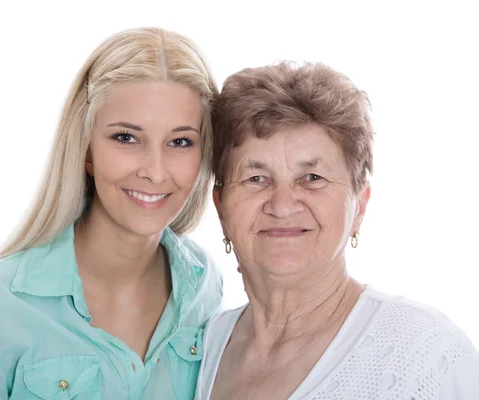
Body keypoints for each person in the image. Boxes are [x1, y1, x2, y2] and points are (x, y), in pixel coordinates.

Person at [0, 27, 223, 400]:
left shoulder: (204, 287)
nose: (155, 171)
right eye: (126, 137)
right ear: (86, 148)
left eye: (180, 142)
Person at [196, 61, 479, 399]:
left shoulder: (427, 354)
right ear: (221, 207)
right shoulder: (199, 350)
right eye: (256, 179)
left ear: (359, 205)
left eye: (312, 178)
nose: (283, 205)